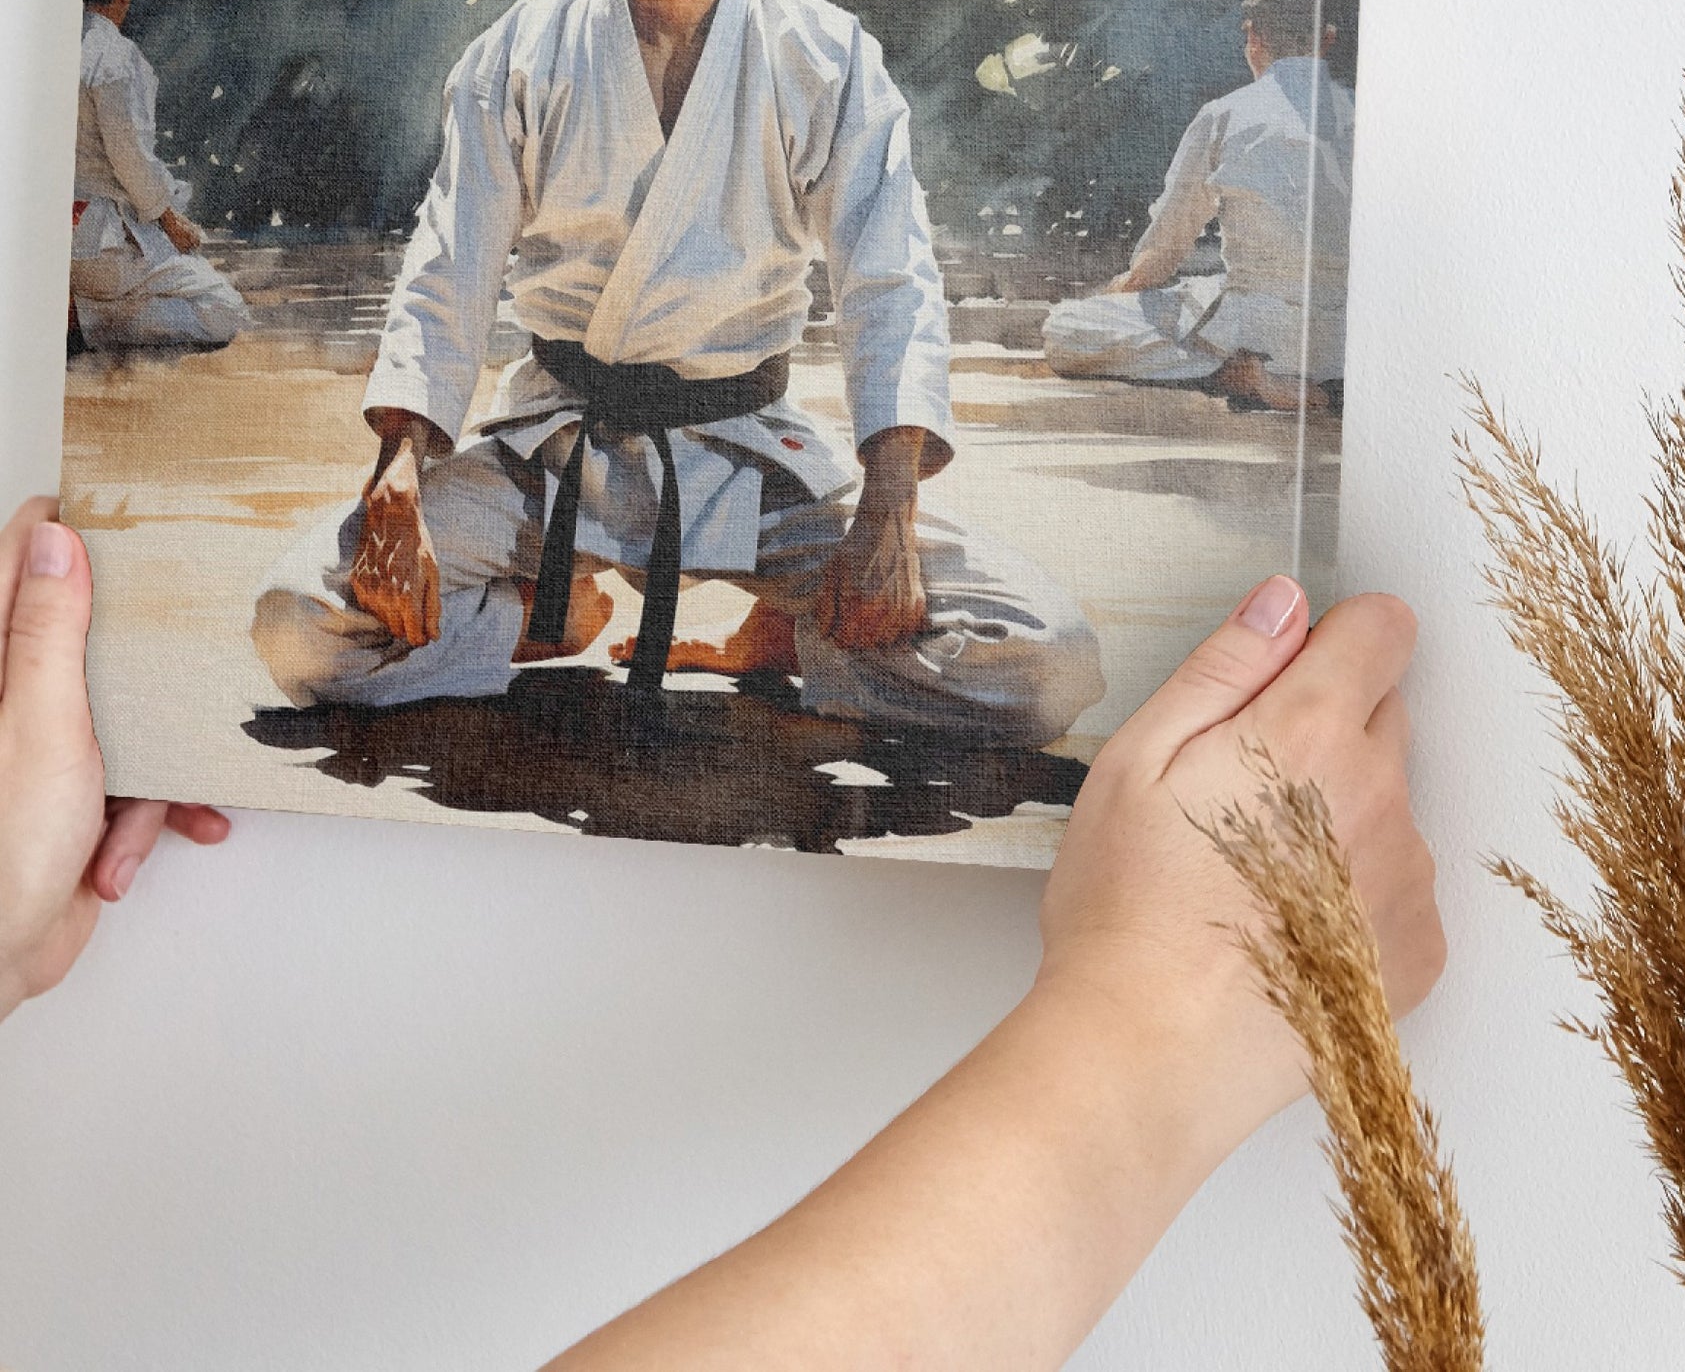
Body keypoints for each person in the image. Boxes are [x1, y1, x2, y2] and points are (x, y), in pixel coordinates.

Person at [0, 492, 1443, 1368]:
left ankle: (745, 622)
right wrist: (1157, 1016)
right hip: (536, 455)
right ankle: (557, 610)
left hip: (783, 469)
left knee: (1039, 661)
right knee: (303, 637)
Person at [250, 0, 1103, 745]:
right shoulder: (524, 49)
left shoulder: (825, 58)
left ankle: (788, 631)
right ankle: (539, 611)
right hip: (556, 449)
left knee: (1050, 661)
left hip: (750, 452)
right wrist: (394, 480)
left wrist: (887, 511)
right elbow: (450, 265)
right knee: (298, 624)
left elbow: (891, 282)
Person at [1043, 0, 1354, 414]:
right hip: (1345, 339)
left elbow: (1160, 257)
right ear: (1327, 40)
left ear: (1253, 38)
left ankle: (1233, 374)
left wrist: (1119, 293)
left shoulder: (1224, 116)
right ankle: (1324, 393)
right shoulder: (1367, 117)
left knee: (1066, 327)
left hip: (1255, 331)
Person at [69, 0, 249, 352]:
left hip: (50, 246)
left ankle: (78, 309)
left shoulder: (47, 49)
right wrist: (173, 223)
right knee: (225, 309)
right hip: (102, 250)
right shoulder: (113, 57)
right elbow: (129, 158)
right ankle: (88, 321)